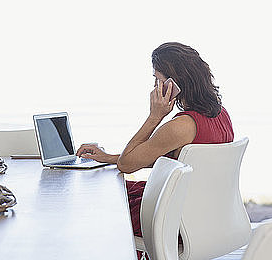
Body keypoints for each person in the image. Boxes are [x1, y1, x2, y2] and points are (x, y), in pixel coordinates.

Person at [76, 42, 234, 238]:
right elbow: (162, 157)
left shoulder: (182, 126)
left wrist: (155, 116)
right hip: (207, 216)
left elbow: (126, 165)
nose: (154, 87)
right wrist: (107, 157)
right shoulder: (221, 115)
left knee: (103, 202)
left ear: (173, 84)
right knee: (115, 193)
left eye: (157, 80)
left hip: (174, 222)